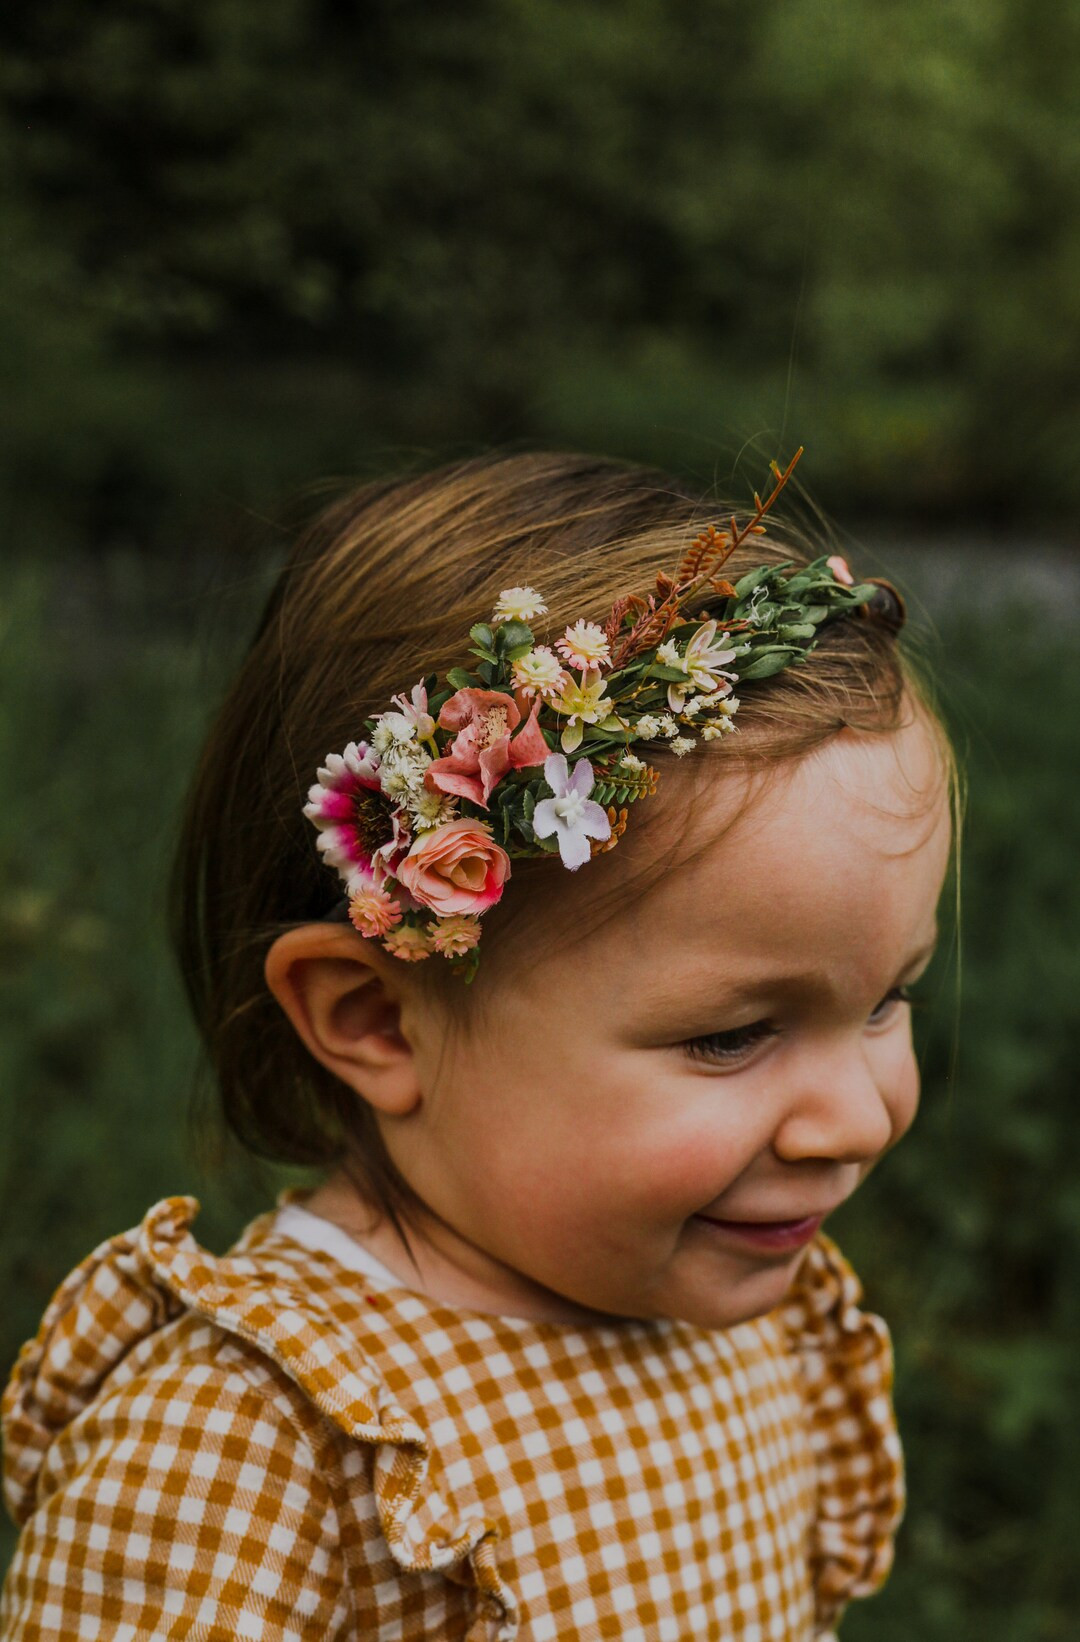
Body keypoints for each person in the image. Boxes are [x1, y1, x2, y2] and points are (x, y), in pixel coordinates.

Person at [0, 451, 955, 1641]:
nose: (857, 1117)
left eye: (885, 999)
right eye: (731, 1035)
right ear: (375, 1019)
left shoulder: (753, 1311)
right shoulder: (252, 1443)